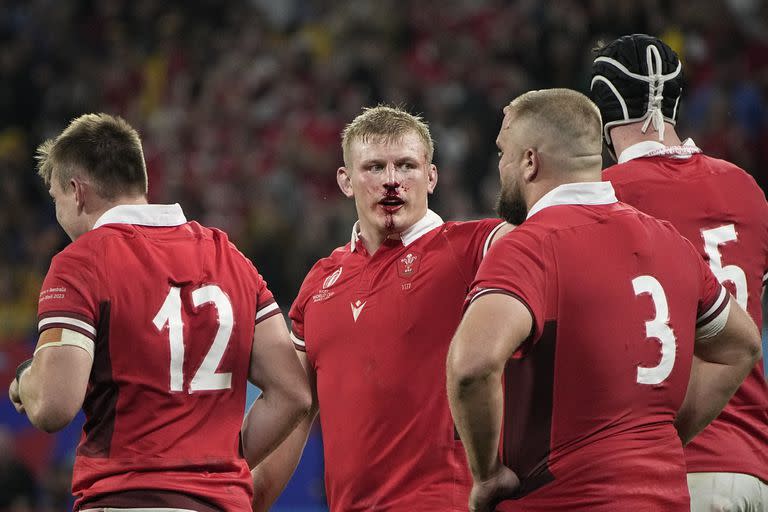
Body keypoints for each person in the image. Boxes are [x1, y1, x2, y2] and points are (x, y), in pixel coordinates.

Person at [446, 88, 762, 511]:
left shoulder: (531, 246)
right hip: (667, 497)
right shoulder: (668, 240)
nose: (499, 164)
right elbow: (741, 346)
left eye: (503, 150)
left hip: (566, 498)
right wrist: (667, 434)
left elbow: (473, 366)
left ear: (529, 161)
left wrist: (486, 475)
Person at [7, 113, 312, 511]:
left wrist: (23, 380)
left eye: (56, 199)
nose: (59, 215)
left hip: (126, 498)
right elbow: (293, 393)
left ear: (76, 191)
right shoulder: (231, 258)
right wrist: (216, 470)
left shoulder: (81, 262)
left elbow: (53, 404)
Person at [249, 105, 513, 511]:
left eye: (406, 166)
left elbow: (550, 238)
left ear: (431, 176)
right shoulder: (320, 281)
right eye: (374, 168)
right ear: (346, 181)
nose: (392, 182)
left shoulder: (474, 248)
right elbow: (295, 410)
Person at [591, 34, 768, 510]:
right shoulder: (745, 187)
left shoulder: (601, 197)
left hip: (668, 473)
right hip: (753, 465)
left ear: (602, 116)